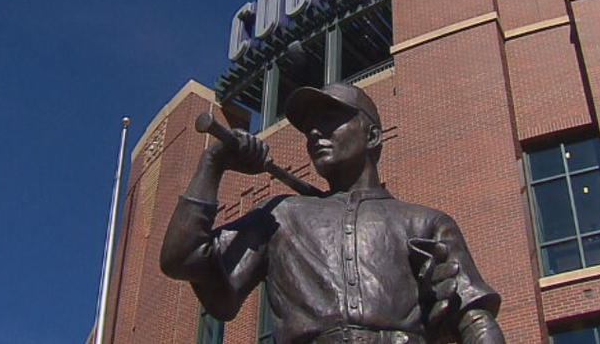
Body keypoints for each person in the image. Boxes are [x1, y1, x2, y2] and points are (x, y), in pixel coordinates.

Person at [161, 82, 507, 344]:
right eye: (310, 127)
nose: (314, 133)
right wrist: (213, 163)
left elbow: (473, 318)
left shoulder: (424, 222)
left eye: (330, 121)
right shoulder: (280, 215)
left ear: (372, 135)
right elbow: (182, 258)